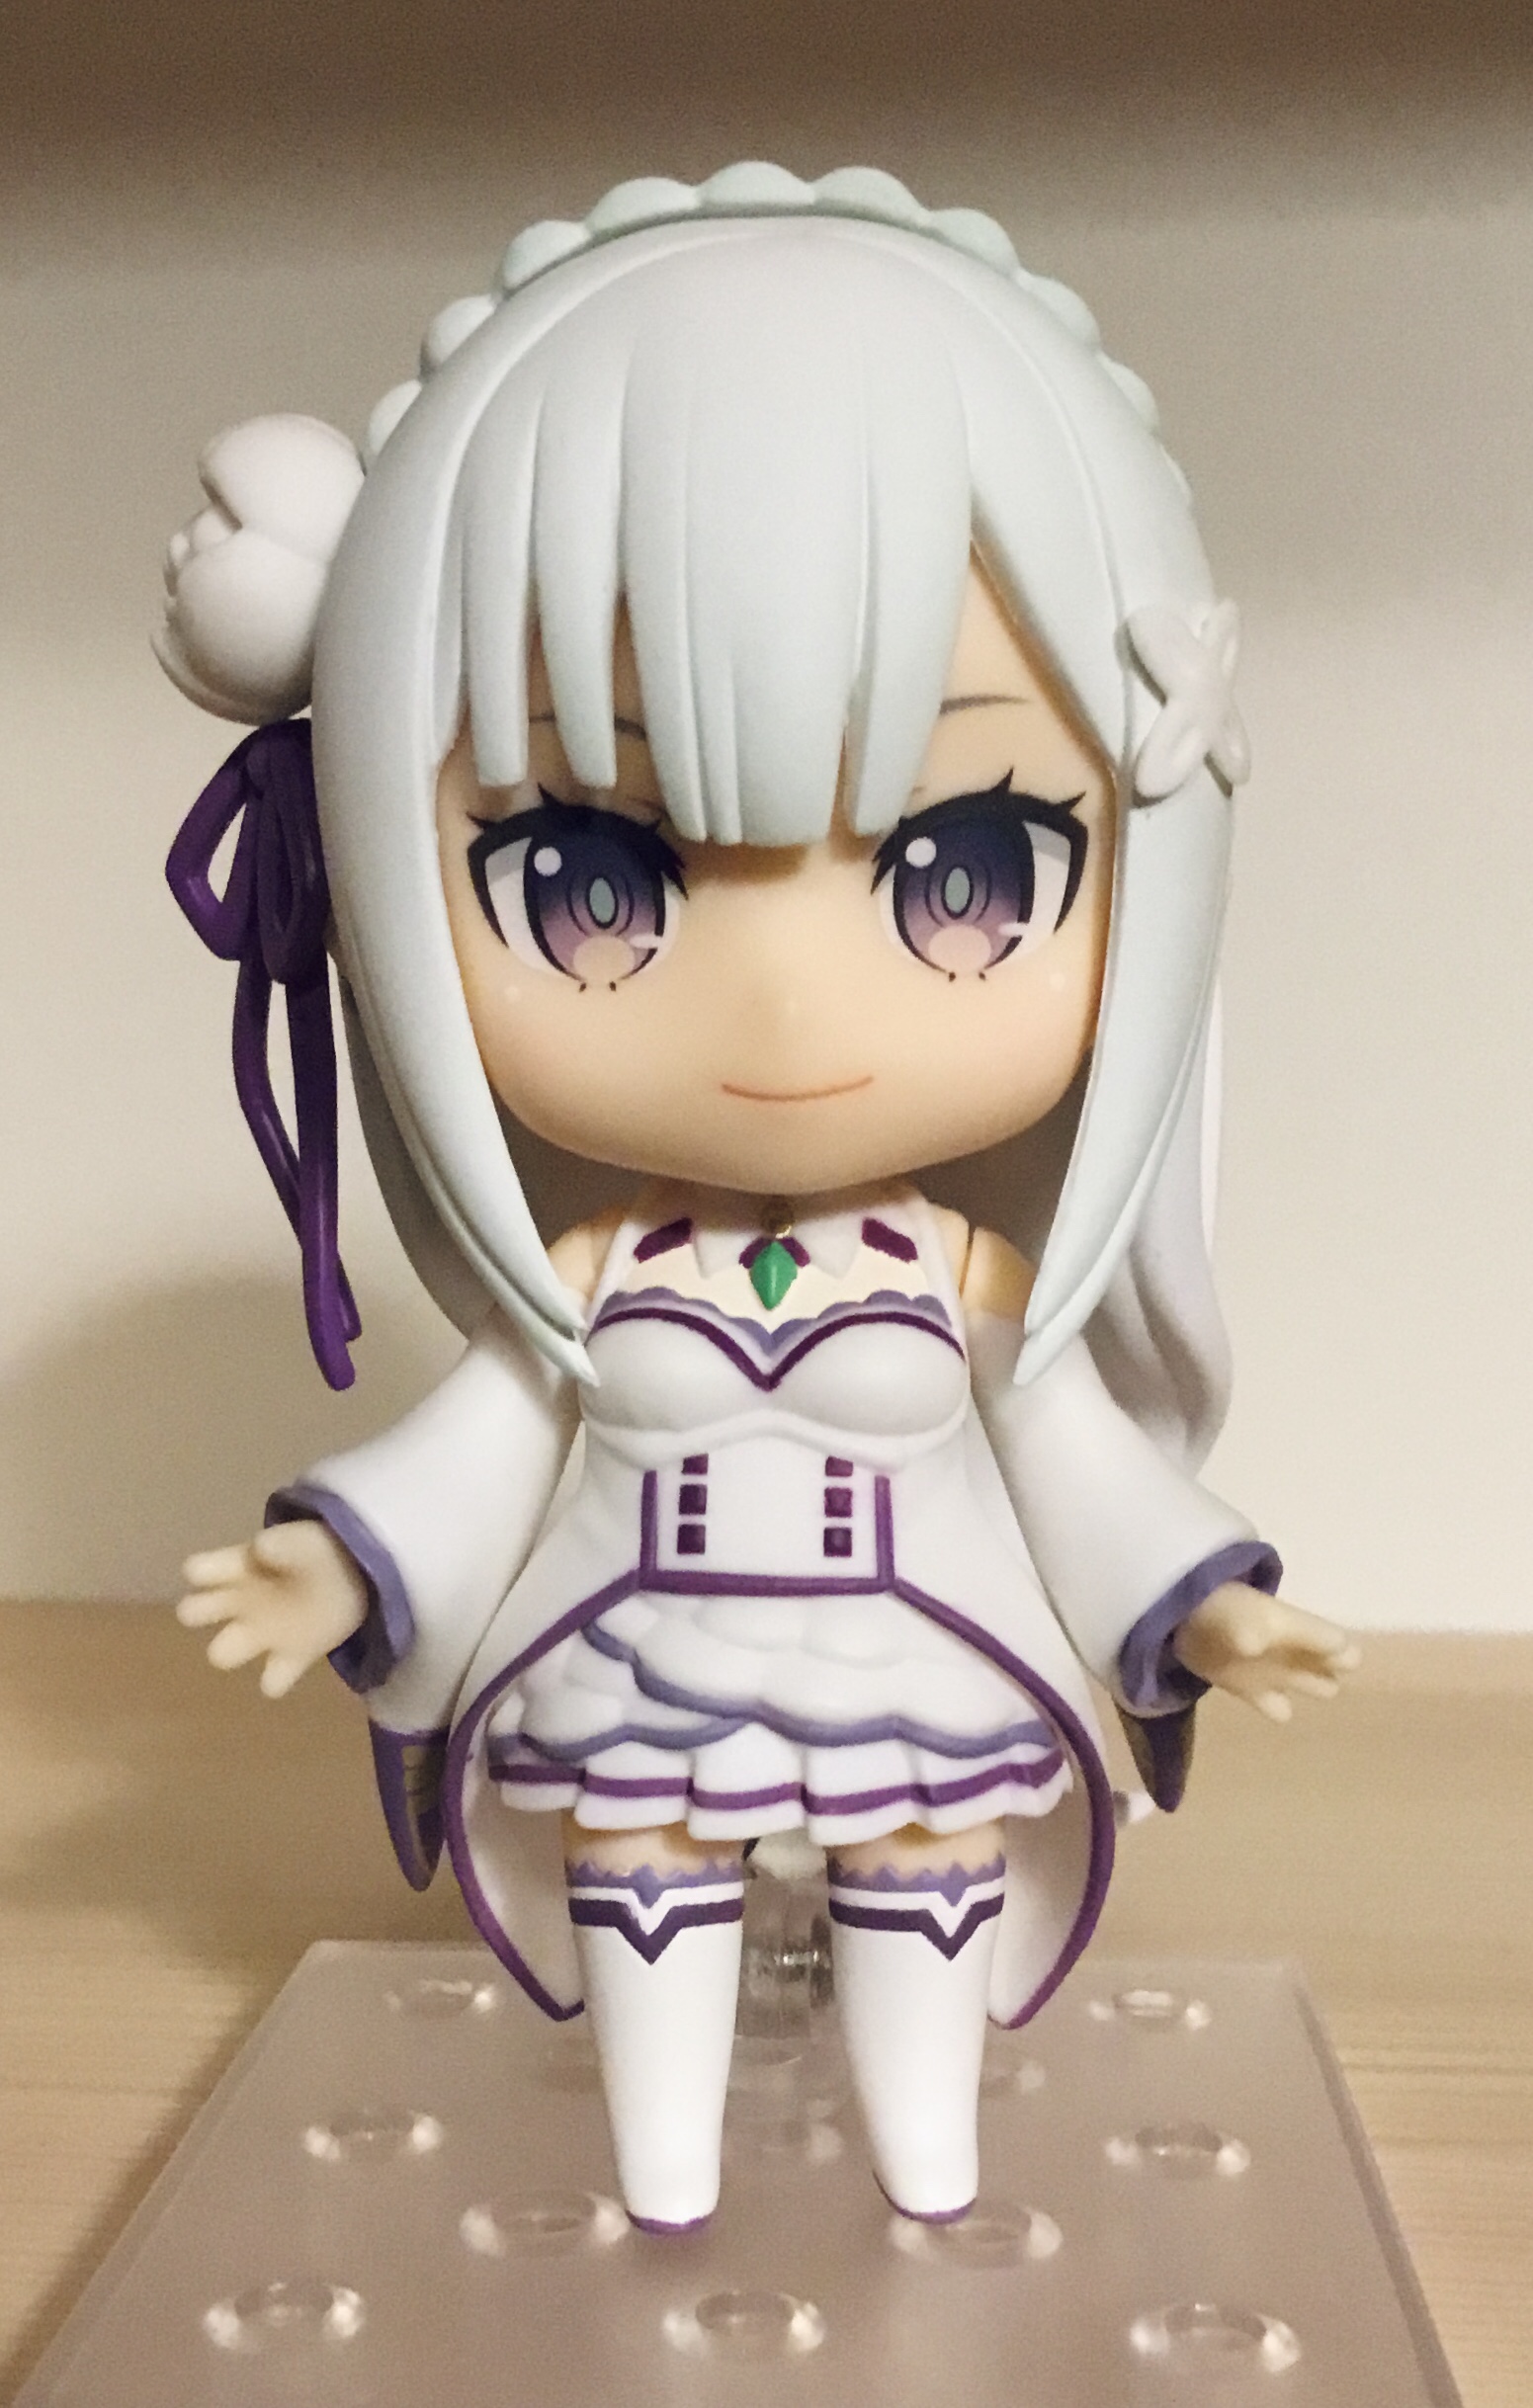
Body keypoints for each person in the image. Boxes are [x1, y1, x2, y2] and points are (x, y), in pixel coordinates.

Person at [159, 163, 1356, 2233]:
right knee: (642, 1875)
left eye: (966, 866)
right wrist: (341, 1566)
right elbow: (479, 1448)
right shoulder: (594, 1275)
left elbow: (1073, 1458)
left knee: (923, 1873)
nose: (787, 1002)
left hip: (920, 1665)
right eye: (584, 877)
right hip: (637, 1659)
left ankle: (928, 2152)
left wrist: (1197, 1603)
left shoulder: (965, 1276)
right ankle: (663, 2166)